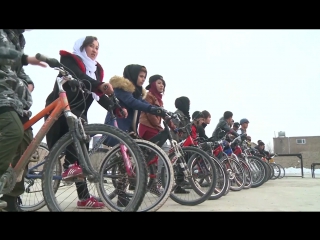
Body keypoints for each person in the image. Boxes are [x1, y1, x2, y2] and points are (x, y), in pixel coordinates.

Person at [45, 36, 121, 209]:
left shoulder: (94, 70)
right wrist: (100, 85)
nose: (94, 50)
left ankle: (83, 198)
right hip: (61, 110)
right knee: (75, 151)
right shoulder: (70, 60)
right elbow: (78, 76)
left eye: (97, 47)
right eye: (91, 46)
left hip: (79, 115)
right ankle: (68, 166)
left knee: (81, 156)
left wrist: (114, 108)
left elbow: (97, 94)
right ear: (82, 47)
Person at [103, 64, 166, 207]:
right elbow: (133, 103)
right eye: (141, 76)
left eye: (144, 76)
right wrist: (153, 109)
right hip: (116, 128)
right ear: (132, 75)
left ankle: (122, 194)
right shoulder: (121, 89)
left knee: (126, 164)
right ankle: (122, 194)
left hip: (127, 130)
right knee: (123, 163)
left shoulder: (137, 92)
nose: (143, 79)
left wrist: (160, 110)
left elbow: (141, 102)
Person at [0, 29, 47, 210]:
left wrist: (29, 83)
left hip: (13, 97)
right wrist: (26, 58)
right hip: (2, 94)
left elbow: (17, 71)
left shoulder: (19, 38)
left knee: (28, 141)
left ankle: (11, 197)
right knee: (13, 131)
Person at [138, 74, 176, 140]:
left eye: (163, 84)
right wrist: (160, 128)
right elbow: (150, 114)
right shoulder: (148, 96)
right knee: (164, 147)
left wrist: (174, 128)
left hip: (155, 128)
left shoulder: (159, 100)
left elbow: (164, 115)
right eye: (159, 83)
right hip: (147, 127)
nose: (162, 85)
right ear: (153, 85)